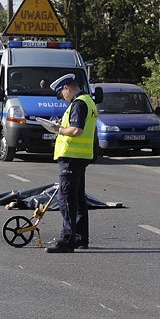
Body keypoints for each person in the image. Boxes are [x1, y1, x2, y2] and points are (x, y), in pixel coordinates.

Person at [45, 73, 98, 253]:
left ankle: (67, 240)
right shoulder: (88, 101)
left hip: (71, 156)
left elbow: (76, 130)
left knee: (66, 198)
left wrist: (58, 129)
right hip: (81, 156)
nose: (62, 97)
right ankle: (80, 237)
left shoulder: (78, 103)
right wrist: (62, 125)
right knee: (78, 197)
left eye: (62, 93)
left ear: (67, 88)